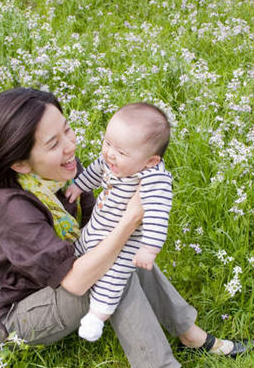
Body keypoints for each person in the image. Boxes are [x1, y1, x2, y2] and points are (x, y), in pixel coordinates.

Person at [0, 87, 249, 368]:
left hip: (51, 282)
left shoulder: (62, 170)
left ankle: (189, 334)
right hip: (8, 317)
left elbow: (97, 216)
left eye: (67, 129)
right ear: (19, 163)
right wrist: (129, 223)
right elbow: (80, 279)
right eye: (53, 143)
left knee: (118, 258)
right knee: (110, 272)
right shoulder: (14, 210)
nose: (70, 146)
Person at [64, 102, 173, 342]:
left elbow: (157, 215)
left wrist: (149, 248)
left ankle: (97, 315)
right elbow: (96, 169)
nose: (110, 153)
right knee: (82, 245)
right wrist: (79, 186)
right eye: (108, 143)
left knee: (113, 276)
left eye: (121, 152)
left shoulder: (154, 180)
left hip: (126, 242)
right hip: (98, 227)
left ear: (151, 161)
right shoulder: (114, 162)